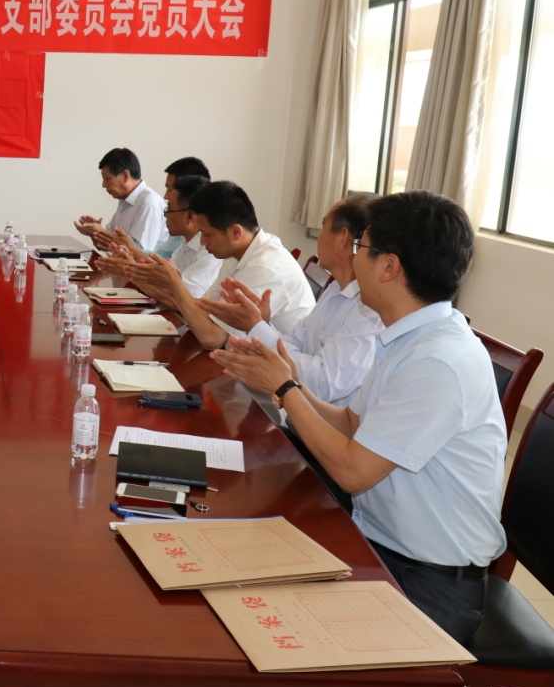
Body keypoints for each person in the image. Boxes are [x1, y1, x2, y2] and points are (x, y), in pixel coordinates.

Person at [211, 191, 505, 644]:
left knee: (262, 626)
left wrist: (285, 389)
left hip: (427, 584)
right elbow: (350, 422)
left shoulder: (438, 359)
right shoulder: (408, 337)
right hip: (379, 542)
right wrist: (288, 383)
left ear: (389, 267)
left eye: (361, 247)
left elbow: (353, 472)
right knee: (237, 567)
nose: (354, 256)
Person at [198, 193, 383, 405]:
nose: (320, 235)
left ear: (342, 238)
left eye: (323, 226)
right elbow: (295, 341)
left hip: (309, 418)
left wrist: (255, 326)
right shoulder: (335, 290)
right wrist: (261, 325)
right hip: (289, 405)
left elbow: (322, 384)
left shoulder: (368, 308)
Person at [118, 180, 313, 349]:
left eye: (206, 234)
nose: (202, 242)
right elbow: (205, 309)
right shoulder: (237, 252)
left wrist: (175, 283)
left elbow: (212, 338)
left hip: (279, 373)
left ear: (235, 232)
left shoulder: (265, 267)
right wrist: (171, 283)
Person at [98, 174, 220, 298]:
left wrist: (129, 271)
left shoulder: (210, 251)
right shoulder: (185, 243)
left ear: (189, 216)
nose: (165, 215)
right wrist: (130, 263)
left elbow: (180, 299)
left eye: (169, 209)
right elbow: (163, 284)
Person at [74, 148, 168, 252]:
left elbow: (140, 253)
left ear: (126, 176)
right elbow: (106, 245)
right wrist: (95, 233)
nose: (103, 185)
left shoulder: (149, 203)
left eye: (107, 178)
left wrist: (102, 232)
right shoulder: (125, 201)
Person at [156, 156, 211, 257]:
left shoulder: (209, 250)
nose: (165, 196)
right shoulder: (186, 242)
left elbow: (162, 258)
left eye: (170, 189)